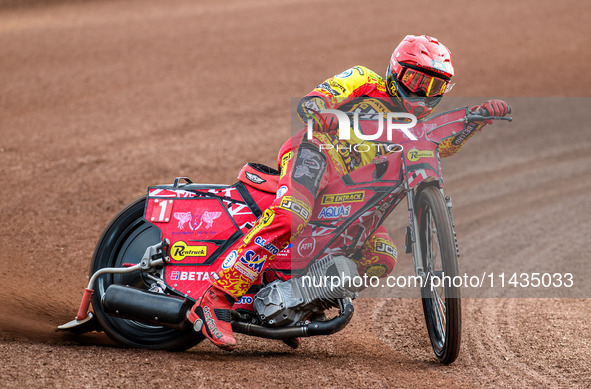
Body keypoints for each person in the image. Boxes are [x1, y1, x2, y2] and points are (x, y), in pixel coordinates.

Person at [187, 35, 509, 350]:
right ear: (396, 71)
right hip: (317, 152)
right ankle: (217, 296)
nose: (423, 94)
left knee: (382, 256)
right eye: (416, 79)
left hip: (350, 192)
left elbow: (444, 145)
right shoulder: (365, 79)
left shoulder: (415, 126)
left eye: (434, 87)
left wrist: (475, 121)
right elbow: (321, 95)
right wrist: (319, 109)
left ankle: (295, 303)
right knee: (290, 217)